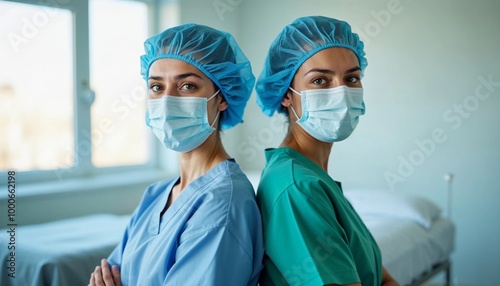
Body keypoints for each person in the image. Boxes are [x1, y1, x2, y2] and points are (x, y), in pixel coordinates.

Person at [88, 23, 264, 286]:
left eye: (187, 86)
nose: (167, 100)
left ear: (222, 98)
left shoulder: (224, 203)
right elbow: (108, 275)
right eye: (157, 87)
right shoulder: (156, 194)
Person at [255, 16, 399, 286]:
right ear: (286, 94)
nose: (341, 92)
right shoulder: (297, 187)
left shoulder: (315, 176)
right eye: (320, 80)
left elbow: (383, 279)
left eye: (352, 78)